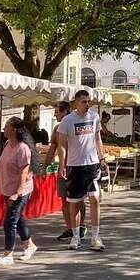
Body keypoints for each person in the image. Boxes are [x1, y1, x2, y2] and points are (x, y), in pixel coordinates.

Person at [57, 89, 108, 251]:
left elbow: (98, 139)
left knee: (95, 199)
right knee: (75, 203)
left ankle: (95, 237)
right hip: (74, 166)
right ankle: (75, 237)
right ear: (76, 103)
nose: (87, 105)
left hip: (92, 165)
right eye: (84, 102)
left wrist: (102, 158)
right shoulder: (67, 121)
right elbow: (62, 145)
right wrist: (62, 164)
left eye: (88, 102)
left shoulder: (94, 117)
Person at [0, 117, 37, 266]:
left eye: (6, 126)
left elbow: (24, 172)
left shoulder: (23, 148)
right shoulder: (7, 144)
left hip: (20, 191)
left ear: (14, 130)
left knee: (10, 221)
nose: (4, 129)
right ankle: (29, 245)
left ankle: (8, 254)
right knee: (18, 218)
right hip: (8, 188)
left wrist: (17, 193)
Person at [46, 101, 86, 242]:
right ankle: (70, 228)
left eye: (57, 112)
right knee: (65, 200)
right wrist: (45, 164)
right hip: (63, 168)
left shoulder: (76, 125)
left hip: (77, 167)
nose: (55, 115)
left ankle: (80, 226)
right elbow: (53, 148)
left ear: (64, 112)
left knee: (78, 200)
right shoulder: (57, 129)